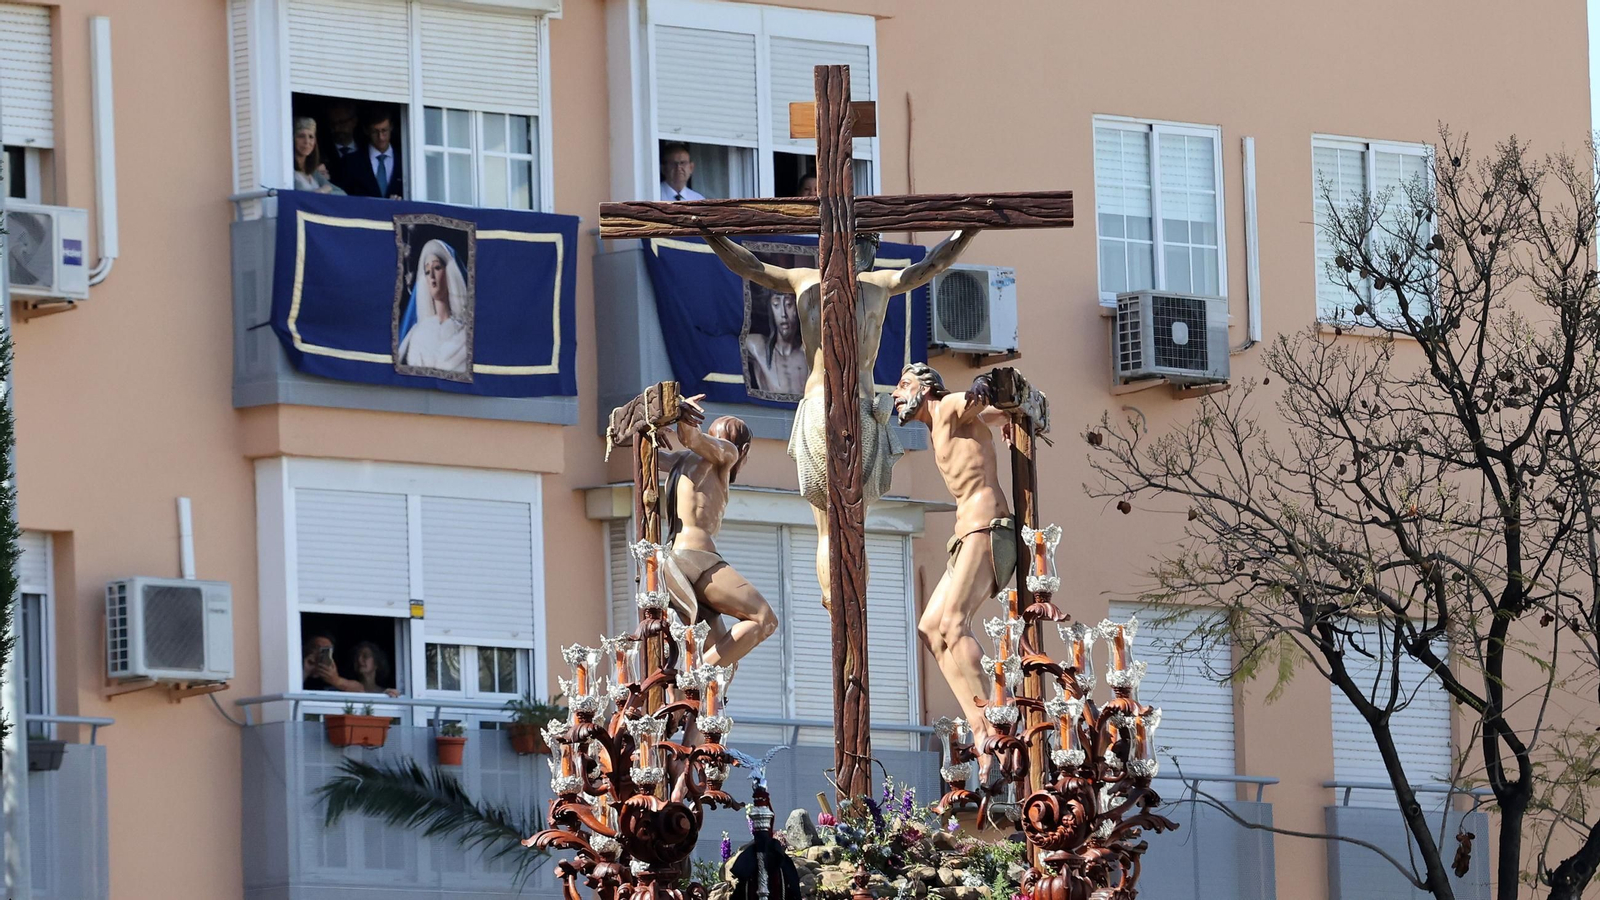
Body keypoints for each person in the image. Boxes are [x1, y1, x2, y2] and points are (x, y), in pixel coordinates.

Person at [701, 228, 979, 608]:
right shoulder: (878, 283)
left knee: (827, 525)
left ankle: (839, 603)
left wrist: (709, 233)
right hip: (861, 405)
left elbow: (748, 266)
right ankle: (849, 606)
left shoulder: (805, 280)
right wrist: (969, 229)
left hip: (821, 404)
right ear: (867, 250)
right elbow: (934, 263)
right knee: (852, 522)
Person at [890, 362, 1016, 765]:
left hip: (987, 528)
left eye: (903, 384)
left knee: (952, 624)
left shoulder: (944, 408)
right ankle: (979, 723)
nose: (895, 394)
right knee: (931, 628)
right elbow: (990, 413)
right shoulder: (936, 426)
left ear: (925, 390)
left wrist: (982, 387)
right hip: (964, 537)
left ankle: (1003, 712)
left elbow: (971, 400)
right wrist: (1009, 415)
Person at [658, 401, 776, 671]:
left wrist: (650, 426)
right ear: (744, 450)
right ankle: (696, 676)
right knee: (763, 619)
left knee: (722, 655)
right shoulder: (728, 452)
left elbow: (647, 453)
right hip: (696, 557)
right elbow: (691, 437)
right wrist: (682, 416)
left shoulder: (679, 461)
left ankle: (688, 698)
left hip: (672, 560)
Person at [398, 239, 470, 373]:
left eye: (437, 268)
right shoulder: (417, 335)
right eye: (427, 271)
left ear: (448, 272)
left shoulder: (466, 334)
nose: (432, 276)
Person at [743, 285, 806, 396]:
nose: (783, 314)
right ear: (770, 310)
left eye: (789, 305)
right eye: (776, 305)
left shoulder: (809, 354)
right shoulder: (757, 347)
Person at [345, 109, 405, 199]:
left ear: (391, 127)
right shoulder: (351, 162)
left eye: (384, 130)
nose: (381, 137)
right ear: (366, 131)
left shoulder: (405, 161)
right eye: (375, 132)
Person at [292, 117, 344, 195]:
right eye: (301, 136)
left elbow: (342, 194)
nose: (307, 141)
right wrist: (322, 191)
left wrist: (324, 190)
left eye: (311, 137)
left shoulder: (313, 173)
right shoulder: (288, 171)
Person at [323, 101, 363, 191]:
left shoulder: (366, 150)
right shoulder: (322, 153)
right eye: (333, 124)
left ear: (354, 121)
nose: (337, 128)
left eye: (342, 123)